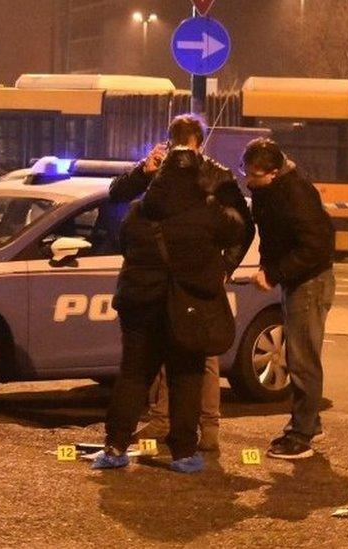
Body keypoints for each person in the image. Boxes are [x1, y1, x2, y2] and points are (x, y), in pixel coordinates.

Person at [93, 115, 252, 472]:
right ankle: (183, 452)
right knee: (187, 375)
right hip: (190, 303)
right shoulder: (208, 212)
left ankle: (116, 447)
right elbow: (239, 228)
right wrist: (221, 267)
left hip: (140, 303)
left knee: (133, 374)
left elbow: (123, 236)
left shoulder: (138, 212)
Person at [242, 138, 335, 460]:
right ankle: (310, 421)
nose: (248, 181)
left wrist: (273, 273)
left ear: (274, 171)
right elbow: (273, 236)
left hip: (310, 283)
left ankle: (301, 434)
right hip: (297, 280)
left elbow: (316, 247)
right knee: (299, 354)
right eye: (246, 172)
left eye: (254, 175)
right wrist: (268, 267)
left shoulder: (296, 194)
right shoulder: (270, 192)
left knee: (301, 357)